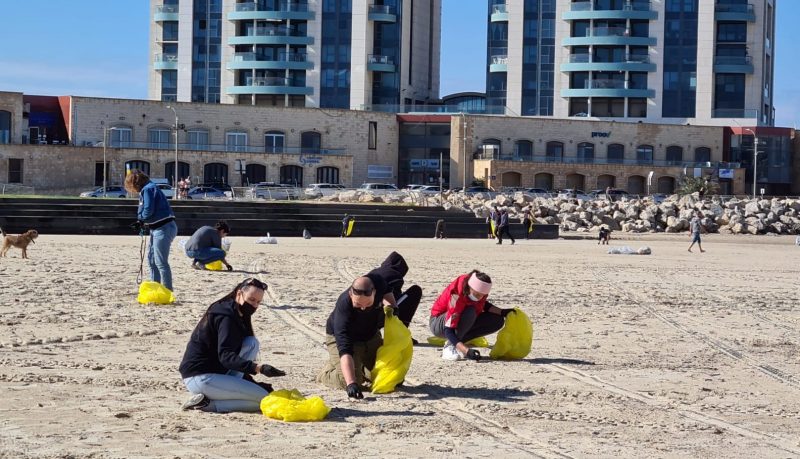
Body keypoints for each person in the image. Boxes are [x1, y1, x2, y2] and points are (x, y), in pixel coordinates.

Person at [179, 278, 286, 412]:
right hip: (200, 377)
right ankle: (207, 405)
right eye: (251, 299)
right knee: (265, 401)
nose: (254, 305)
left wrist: (253, 383)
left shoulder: (238, 314)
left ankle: (221, 393)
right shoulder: (226, 316)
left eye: (258, 302)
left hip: (218, 373)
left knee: (251, 343)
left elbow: (233, 359)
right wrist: (259, 368)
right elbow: (226, 356)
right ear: (239, 294)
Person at [316, 275, 396, 398]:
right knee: (350, 381)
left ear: (374, 292)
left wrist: (391, 307)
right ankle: (326, 373)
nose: (363, 308)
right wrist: (351, 383)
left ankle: (358, 364)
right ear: (350, 294)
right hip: (347, 340)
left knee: (390, 377)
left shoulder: (378, 282)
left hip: (370, 335)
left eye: (368, 304)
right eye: (358, 304)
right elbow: (344, 348)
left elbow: (387, 292)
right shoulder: (343, 307)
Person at [429, 271, 514, 361]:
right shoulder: (456, 297)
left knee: (497, 320)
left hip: (461, 320)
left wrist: (503, 312)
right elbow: (448, 329)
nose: (479, 298)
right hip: (438, 323)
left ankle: (459, 342)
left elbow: (483, 304)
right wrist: (466, 351)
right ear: (469, 287)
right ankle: (450, 346)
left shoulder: (478, 292)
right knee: (470, 311)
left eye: (482, 295)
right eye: (477, 294)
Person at [125, 169, 178, 291]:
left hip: (163, 228)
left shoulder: (148, 189)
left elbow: (148, 209)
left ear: (135, 182)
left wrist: (141, 219)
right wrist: (142, 221)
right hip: (159, 227)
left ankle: (168, 290)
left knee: (160, 262)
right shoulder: (151, 187)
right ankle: (157, 288)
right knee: (152, 260)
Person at [368, 251, 421, 330]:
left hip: (364, 314)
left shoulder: (374, 272)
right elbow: (393, 298)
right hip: (379, 315)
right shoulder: (394, 274)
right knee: (415, 291)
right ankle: (401, 331)